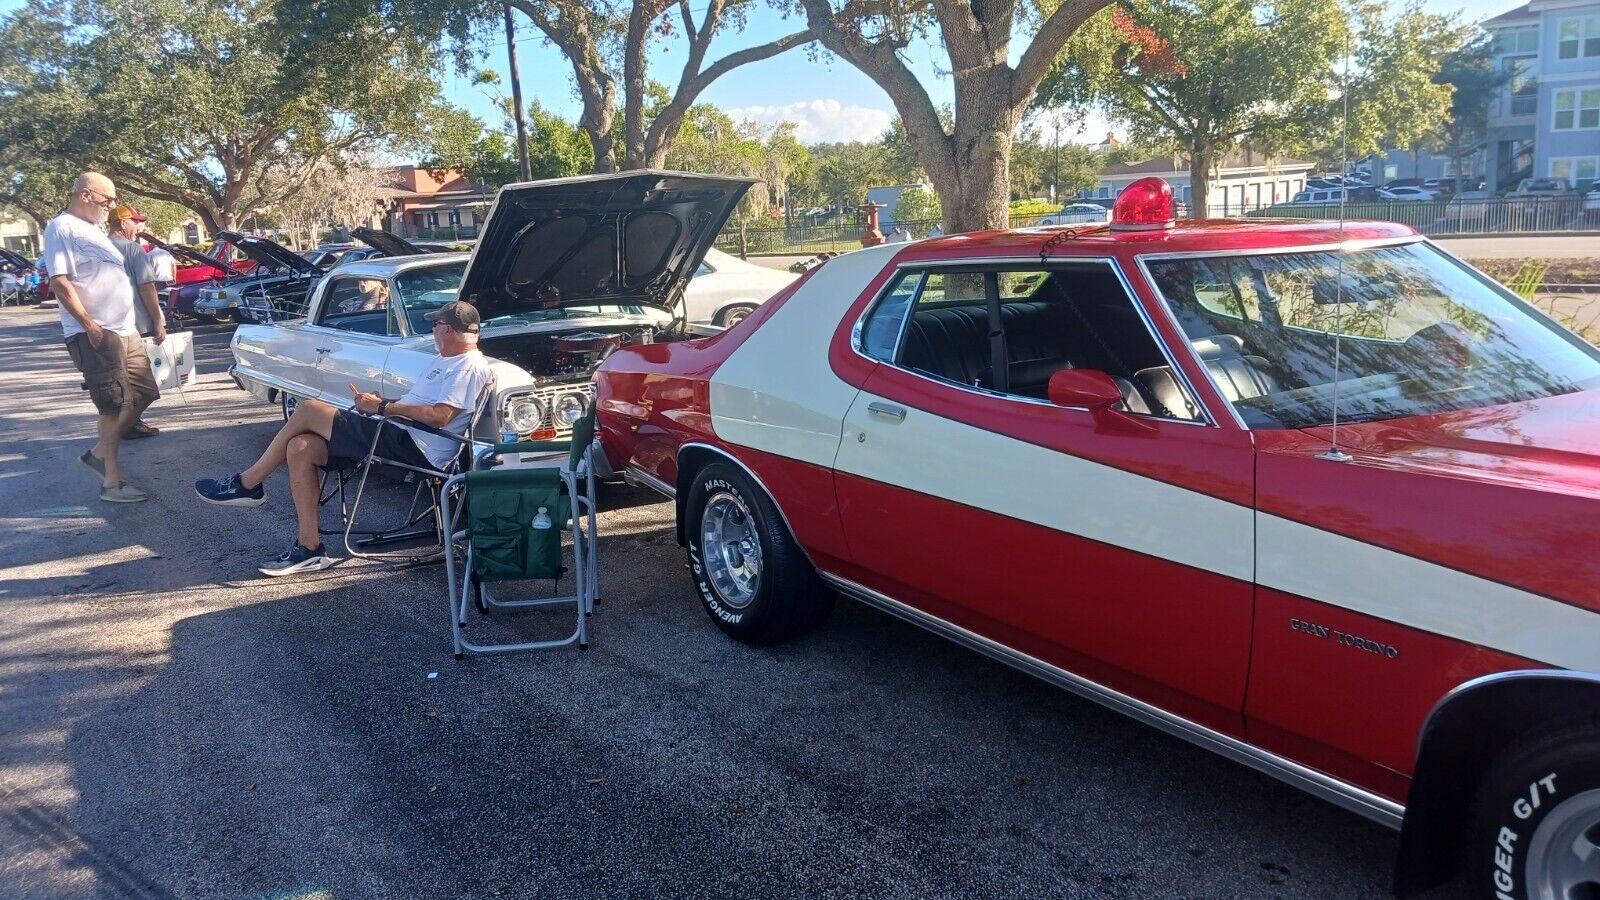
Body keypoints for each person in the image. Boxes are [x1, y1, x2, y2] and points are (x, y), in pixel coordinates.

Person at [194, 300, 494, 576]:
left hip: (417, 450)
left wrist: (382, 407)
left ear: (449, 330)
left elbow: (441, 416)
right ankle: (309, 549)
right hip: (399, 434)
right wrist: (379, 402)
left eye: (435, 327)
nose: (433, 332)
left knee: (310, 409)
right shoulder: (446, 361)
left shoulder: (467, 366)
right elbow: (419, 406)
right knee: (301, 447)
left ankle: (248, 483)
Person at [45, 172, 160, 503]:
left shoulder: (93, 230)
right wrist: (90, 325)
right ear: (85, 195)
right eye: (106, 200)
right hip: (95, 333)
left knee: (145, 393)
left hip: (125, 329)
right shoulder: (61, 228)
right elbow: (61, 282)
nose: (110, 207)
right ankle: (112, 483)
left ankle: (97, 453)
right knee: (111, 405)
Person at [107, 205, 165, 439]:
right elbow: (147, 287)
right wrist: (158, 320)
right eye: (135, 222)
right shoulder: (132, 250)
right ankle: (122, 428)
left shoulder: (96, 248)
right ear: (122, 223)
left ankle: (130, 423)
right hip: (134, 325)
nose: (139, 227)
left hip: (105, 326)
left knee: (120, 379)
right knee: (142, 384)